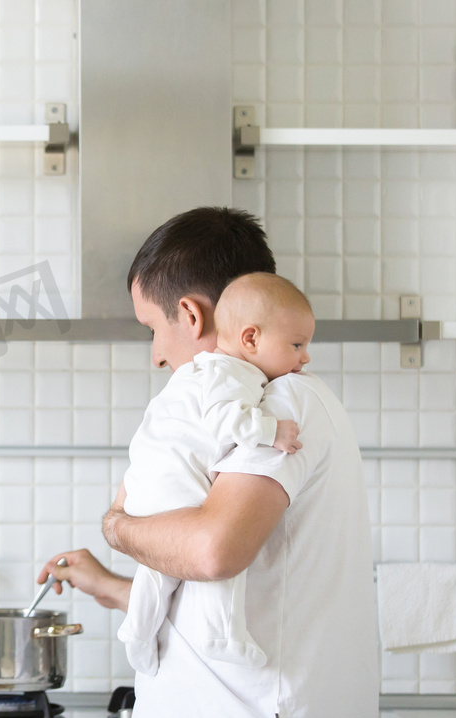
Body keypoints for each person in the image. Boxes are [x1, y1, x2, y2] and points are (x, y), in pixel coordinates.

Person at [38, 207, 378, 718]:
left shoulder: (282, 402)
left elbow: (213, 552)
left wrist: (118, 526)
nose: (155, 355)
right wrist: (113, 587)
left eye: (152, 328)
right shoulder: (260, 401)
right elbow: (241, 596)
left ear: (191, 316)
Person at [117, 272, 315, 677]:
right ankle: (225, 635)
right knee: (221, 555)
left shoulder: (205, 371)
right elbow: (227, 422)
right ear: (251, 339)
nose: (306, 357)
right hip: (178, 487)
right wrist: (271, 430)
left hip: (148, 487)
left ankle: (136, 632)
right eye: (297, 345)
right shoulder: (233, 373)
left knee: (158, 573)